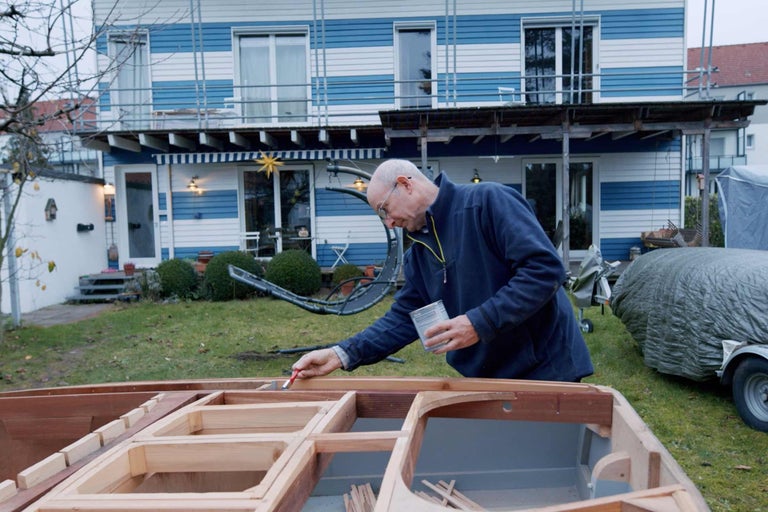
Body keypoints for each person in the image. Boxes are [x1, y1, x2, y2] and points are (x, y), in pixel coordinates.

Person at [292, 159, 593, 382]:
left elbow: (544, 269)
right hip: (485, 379)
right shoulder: (418, 254)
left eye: (384, 209)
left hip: (545, 370)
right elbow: (405, 319)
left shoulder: (487, 203)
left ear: (406, 183)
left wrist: (479, 322)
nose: (388, 222)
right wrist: (340, 354)